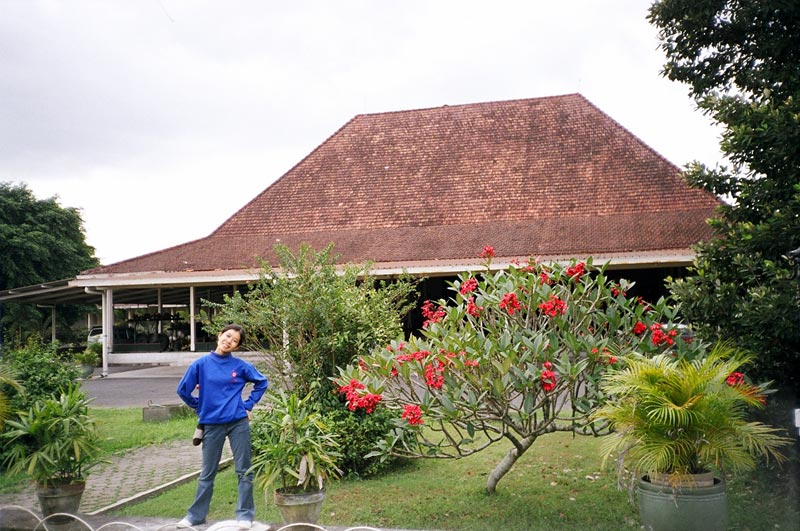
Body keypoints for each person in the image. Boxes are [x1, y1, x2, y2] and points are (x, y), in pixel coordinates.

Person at [176, 324, 268, 529]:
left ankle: (245, 516)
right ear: (219, 336)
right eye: (227, 336)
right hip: (211, 425)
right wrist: (199, 405)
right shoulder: (200, 365)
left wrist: (248, 405)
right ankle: (195, 516)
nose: (229, 341)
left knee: (244, 470)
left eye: (235, 341)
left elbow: (262, 382)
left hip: (238, 423)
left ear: (236, 347)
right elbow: (183, 390)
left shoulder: (241, 367)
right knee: (207, 473)